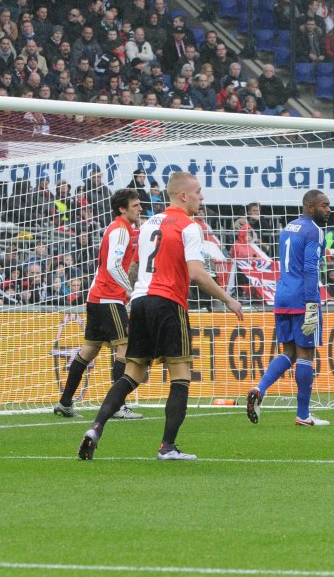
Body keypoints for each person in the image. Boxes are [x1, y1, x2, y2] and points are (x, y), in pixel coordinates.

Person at [78, 172, 244, 460]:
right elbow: (196, 274)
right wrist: (228, 299)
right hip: (168, 303)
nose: (201, 197)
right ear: (183, 196)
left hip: (140, 302)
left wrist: (131, 293)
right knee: (180, 375)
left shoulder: (147, 224)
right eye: (198, 192)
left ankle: (96, 428)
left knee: (132, 374)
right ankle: (167, 447)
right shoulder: (189, 227)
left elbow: (134, 266)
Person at [54, 189, 144, 420]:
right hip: (108, 299)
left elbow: (103, 266)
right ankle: (117, 405)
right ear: (122, 209)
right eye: (135, 205)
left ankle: (65, 402)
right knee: (125, 348)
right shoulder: (121, 231)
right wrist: (131, 291)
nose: (140, 208)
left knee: (88, 351)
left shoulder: (116, 229)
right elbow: (113, 266)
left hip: (97, 298)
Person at [245, 190, 332, 427]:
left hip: (281, 296)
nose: (329, 210)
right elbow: (311, 268)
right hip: (303, 298)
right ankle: (303, 414)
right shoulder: (314, 231)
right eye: (325, 205)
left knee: (289, 352)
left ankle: (259, 388)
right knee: (306, 355)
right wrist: (313, 302)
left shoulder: (289, 228)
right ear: (310, 207)